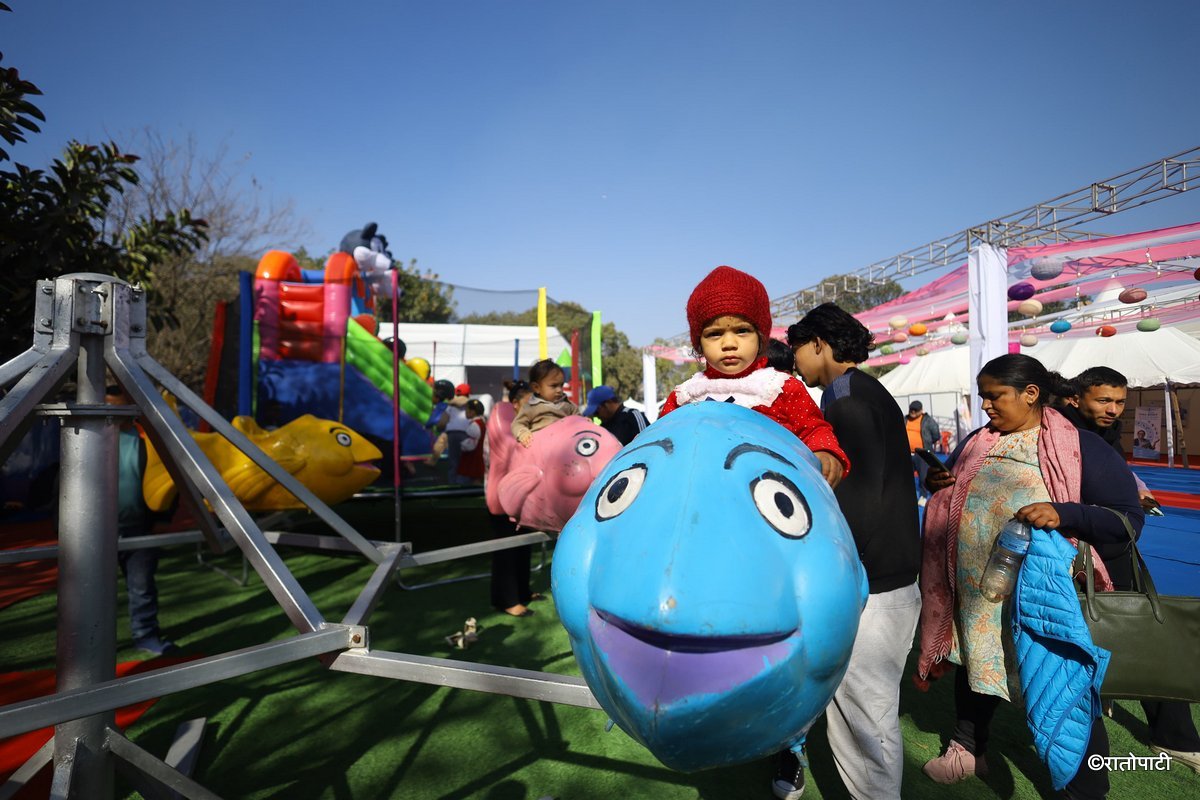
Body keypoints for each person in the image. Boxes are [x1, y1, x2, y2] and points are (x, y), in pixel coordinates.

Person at [918, 354, 1144, 799]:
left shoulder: (1081, 448)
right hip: (980, 595)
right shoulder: (976, 441)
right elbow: (953, 490)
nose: (986, 406)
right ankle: (968, 748)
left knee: (1064, 686)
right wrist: (939, 481)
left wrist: (1064, 513)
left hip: (1044, 601)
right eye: (983, 396)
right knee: (975, 668)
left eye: (995, 396)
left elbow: (1128, 520)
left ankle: (1083, 787)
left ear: (1031, 394)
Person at [781, 303, 921, 800]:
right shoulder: (860, 390)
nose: (794, 359)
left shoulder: (846, 399)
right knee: (858, 707)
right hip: (886, 576)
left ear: (819, 343)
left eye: (797, 347)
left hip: (873, 583)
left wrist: (839, 571)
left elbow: (859, 496)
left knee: (867, 714)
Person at [1060, 367, 1199, 773]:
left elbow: (1113, 475)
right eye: (1104, 400)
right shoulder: (1060, 433)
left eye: (1119, 401)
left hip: (1111, 540)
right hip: (1076, 545)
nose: (1114, 409)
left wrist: (1134, 490)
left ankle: (1174, 734)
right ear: (1075, 398)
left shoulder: (1101, 432)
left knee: (1145, 629)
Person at [659, 265, 850, 488]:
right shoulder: (685, 396)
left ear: (761, 337)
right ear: (698, 343)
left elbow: (813, 428)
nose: (729, 344)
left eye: (742, 331)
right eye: (714, 334)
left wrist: (825, 452)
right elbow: (661, 441)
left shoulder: (780, 388)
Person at [106, 383, 176, 655]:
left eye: (117, 407)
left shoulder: (147, 440)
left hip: (139, 528)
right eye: (106, 406)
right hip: (96, 531)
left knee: (142, 587)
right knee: (91, 590)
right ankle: (91, 642)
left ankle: (146, 635)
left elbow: (168, 478)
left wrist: (163, 518)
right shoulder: (89, 438)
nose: (111, 412)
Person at [489, 380, 542, 616]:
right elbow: (513, 451)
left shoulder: (523, 423)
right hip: (501, 499)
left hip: (522, 498)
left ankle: (522, 590)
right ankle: (507, 599)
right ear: (515, 402)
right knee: (506, 551)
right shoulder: (502, 422)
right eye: (529, 402)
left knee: (523, 547)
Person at [511, 359, 579, 447]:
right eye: (554, 386)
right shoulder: (531, 407)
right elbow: (517, 424)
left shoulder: (568, 405)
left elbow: (578, 419)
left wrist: (585, 422)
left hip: (564, 447)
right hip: (541, 448)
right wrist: (523, 433)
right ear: (536, 388)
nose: (559, 390)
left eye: (561, 385)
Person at [581, 385, 648, 447]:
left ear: (607, 404)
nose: (596, 416)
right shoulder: (604, 428)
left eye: (596, 412)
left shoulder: (633, 416)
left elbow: (648, 442)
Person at [906, 399, 941, 502]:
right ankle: (907, 496)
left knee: (923, 477)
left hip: (922, 453)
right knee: (906, 477)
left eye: (915, 410)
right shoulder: (905, 419)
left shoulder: (928, 420)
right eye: (911, 410)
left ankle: (923, 496)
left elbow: (936, 435)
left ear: (921, 410)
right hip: (907, 453)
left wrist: (927, 443)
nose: (912, 412)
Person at [455, 399, 486, 484]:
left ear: (472, 412)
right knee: (476, 478)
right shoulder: (482, 423)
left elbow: (471, 445)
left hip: (472, 458)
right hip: (478, 457)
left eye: (467, 409)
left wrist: (462, 445)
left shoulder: (475, 425)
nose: (466, 411)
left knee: (467, 481)